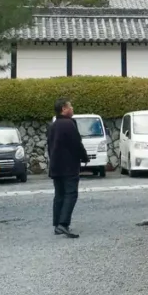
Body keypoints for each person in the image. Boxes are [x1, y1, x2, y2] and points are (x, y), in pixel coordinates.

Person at [47, 98, 88, 238]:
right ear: (64, 109)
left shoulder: (52, 125)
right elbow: (76, 143)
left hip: (55, 166)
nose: (72, 108)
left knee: (59, 194)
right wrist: (84, 156)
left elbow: (49, 147)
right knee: (71, 194)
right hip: (69, 166)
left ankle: (57, 224)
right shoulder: (69, 124)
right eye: (70, 106)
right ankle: (63, 224)